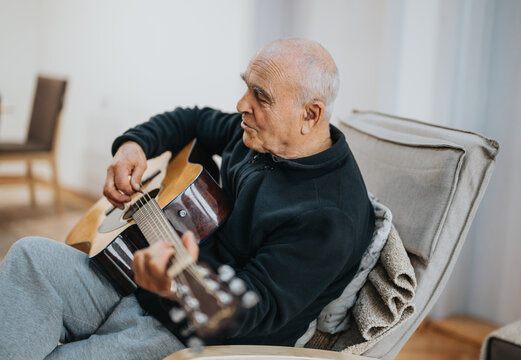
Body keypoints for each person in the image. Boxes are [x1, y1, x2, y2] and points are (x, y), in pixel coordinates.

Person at [0, 38, 374, 360]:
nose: (242, 103)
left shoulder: (330, 215)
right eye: (246, 87)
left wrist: (177, 284)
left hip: (191, 337)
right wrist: (134, 146)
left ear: (310, 114)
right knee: (29, 256)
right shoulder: (261, 136)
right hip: (142, 284)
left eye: (260, 96)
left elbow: (251, 311)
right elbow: (191, 120)